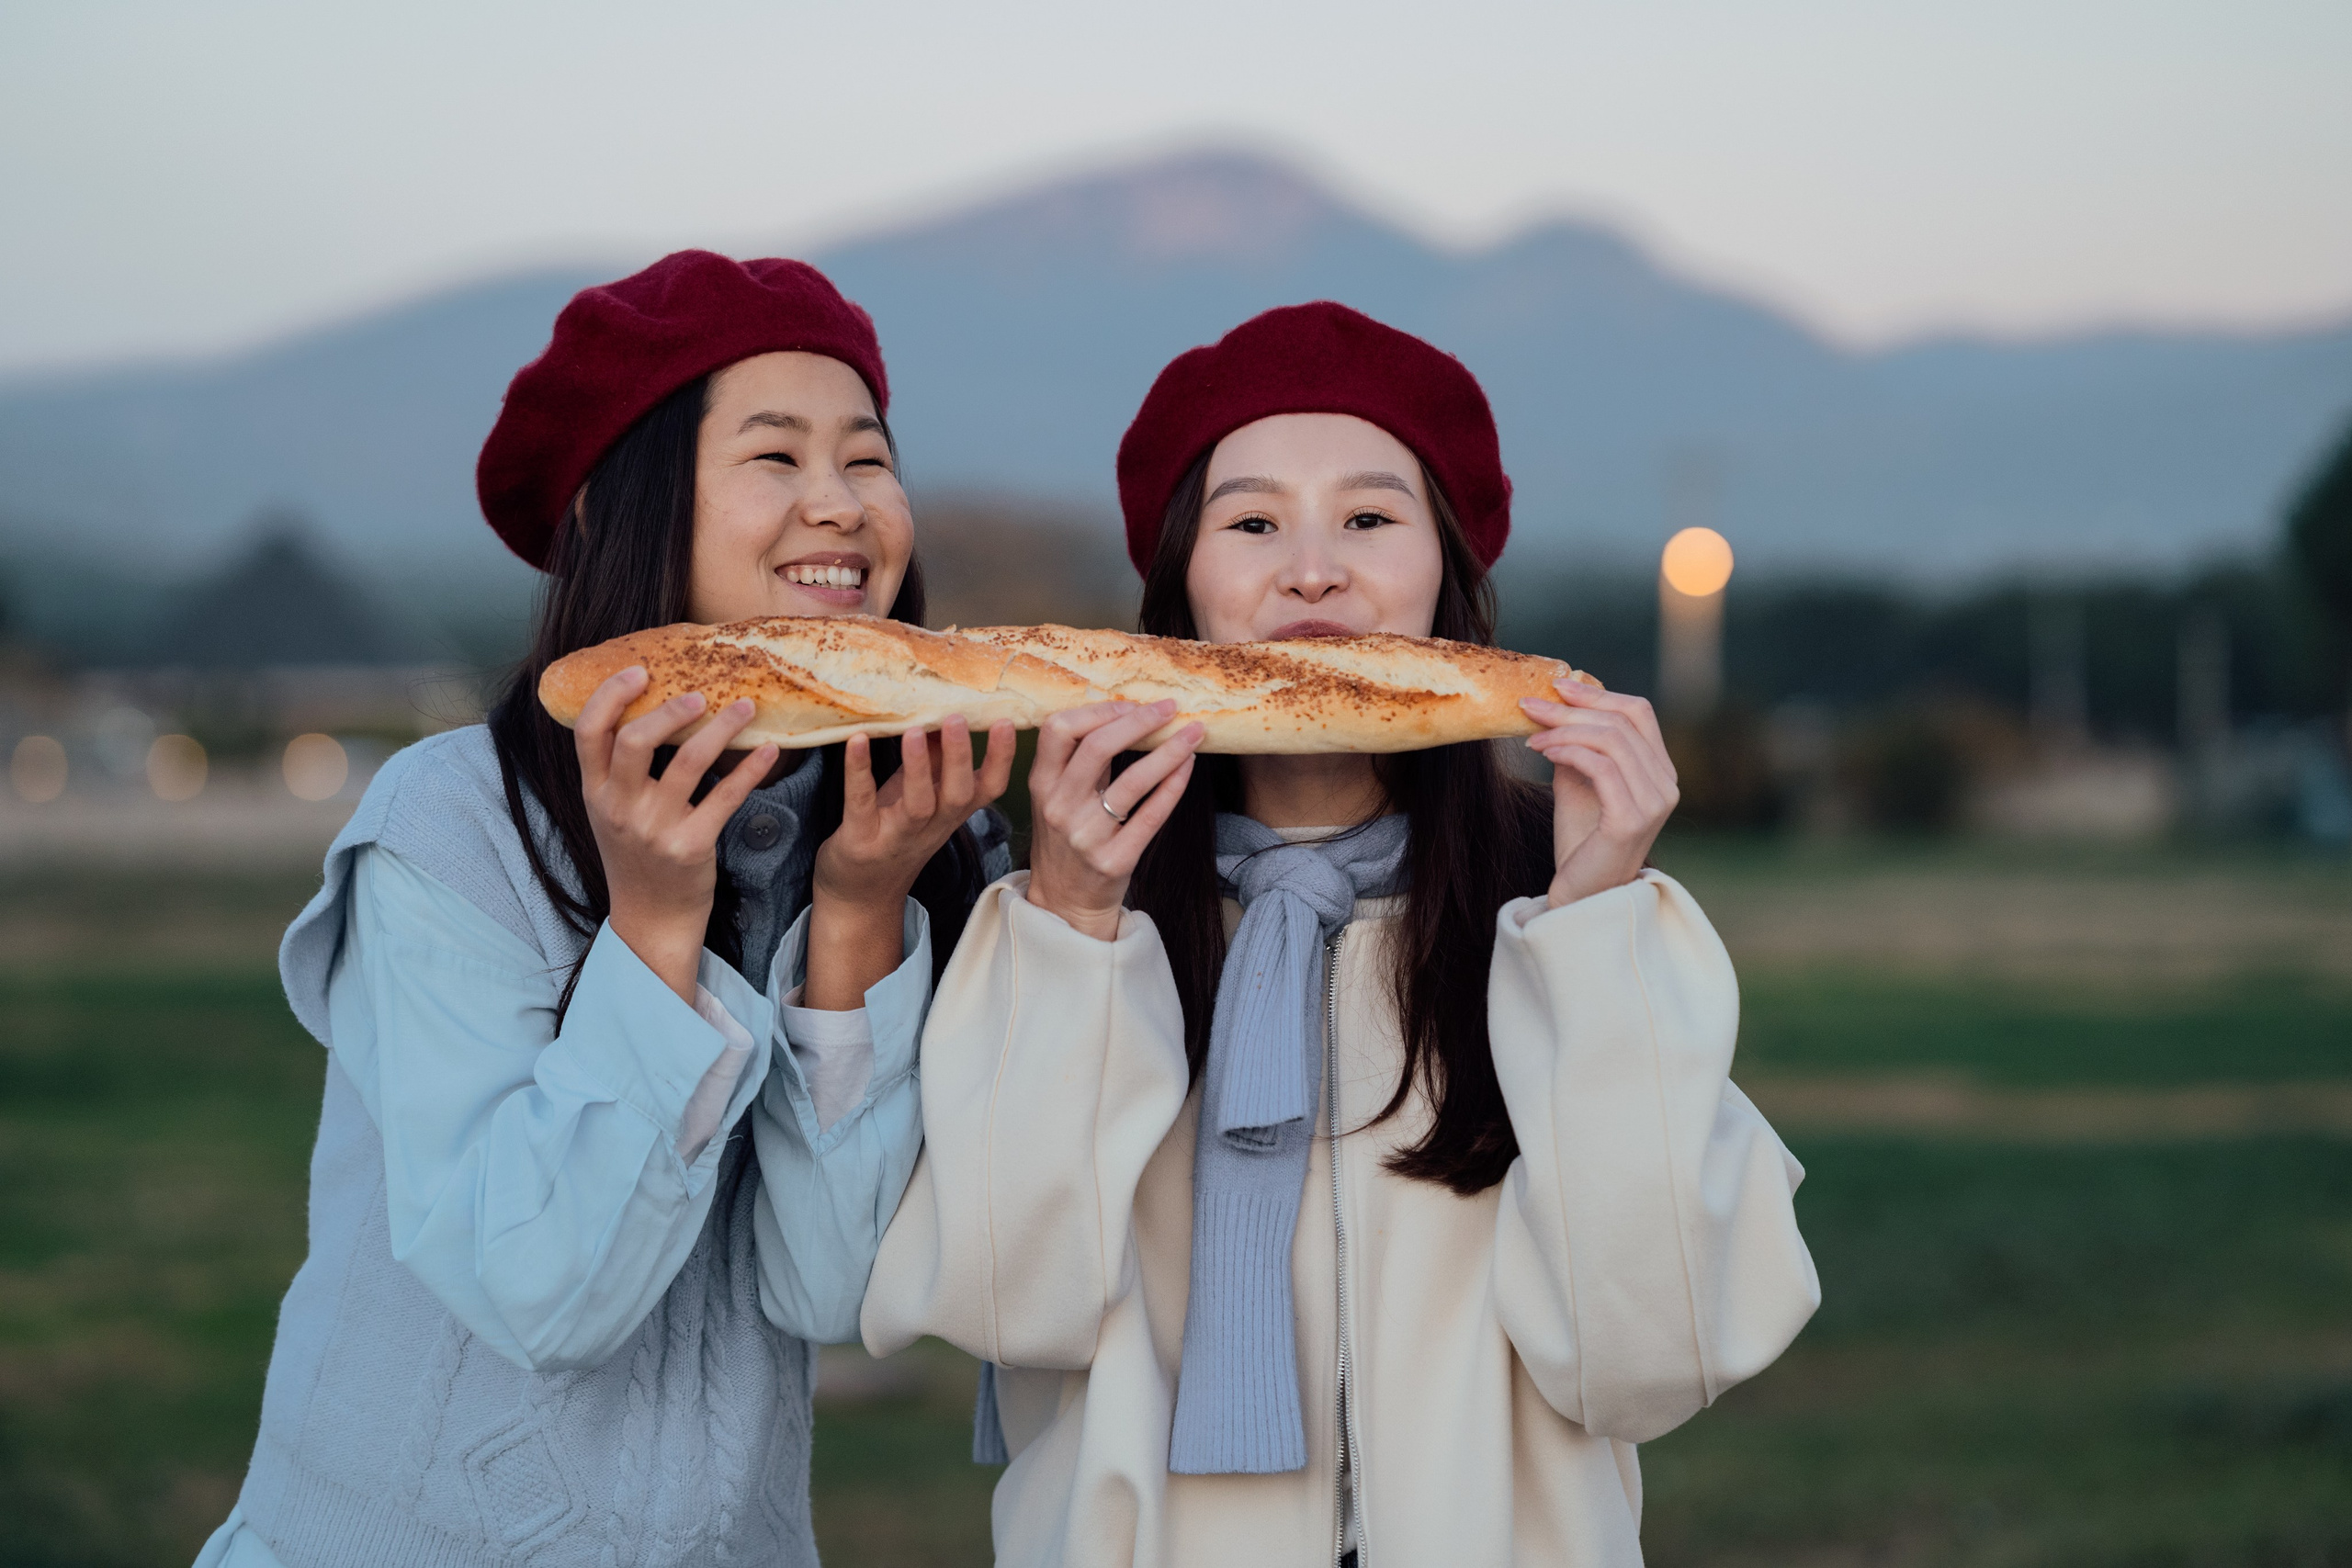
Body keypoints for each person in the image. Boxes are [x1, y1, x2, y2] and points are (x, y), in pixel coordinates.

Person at [863, 301, 1820, 1566]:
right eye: (1252, 523)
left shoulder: (1575, 911)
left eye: (1370, 519)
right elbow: (1002, 1304)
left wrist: (1595, 928)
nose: (1312, 572)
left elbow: (1644, 1361)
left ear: (1449, 581)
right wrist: (1074, 925)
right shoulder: (1061, 920)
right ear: (1179, 594)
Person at [195, 251, 1014, 1568]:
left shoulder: (917, 821)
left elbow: (828, 1287)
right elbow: (545, 1289)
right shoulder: (453, 822)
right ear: (621, 512)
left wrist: (860, 909)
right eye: (775, 457)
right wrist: (653, 925)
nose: (840, 506)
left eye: (867, 459)